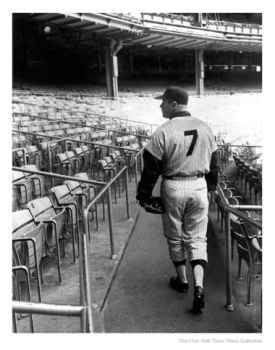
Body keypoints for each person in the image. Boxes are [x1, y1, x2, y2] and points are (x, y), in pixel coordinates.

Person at [136, 86, 219, 314]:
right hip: (199, 184)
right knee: (197, 238)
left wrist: (143, 196)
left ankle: (182, 281)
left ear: (174, 104)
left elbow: (150, 168)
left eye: (163, 102)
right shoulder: (205, 127)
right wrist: (211, 186)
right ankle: (199, 287)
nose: (160, 106)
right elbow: (214, 162)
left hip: (173, 185)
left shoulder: (164, 130)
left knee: (175, 236)